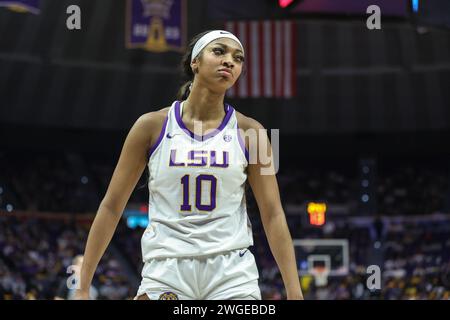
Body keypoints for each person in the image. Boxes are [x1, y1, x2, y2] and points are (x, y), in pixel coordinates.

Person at [75, 30, 303, 300]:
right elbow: (112, 205)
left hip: (231, 272)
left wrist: (294, 292)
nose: (230, 61)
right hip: (166, 267)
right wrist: (82, 287)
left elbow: (273, 213)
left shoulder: (255, 132)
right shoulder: (149, 126)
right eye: (219, 51)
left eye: (238, 58)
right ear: (195, 62)